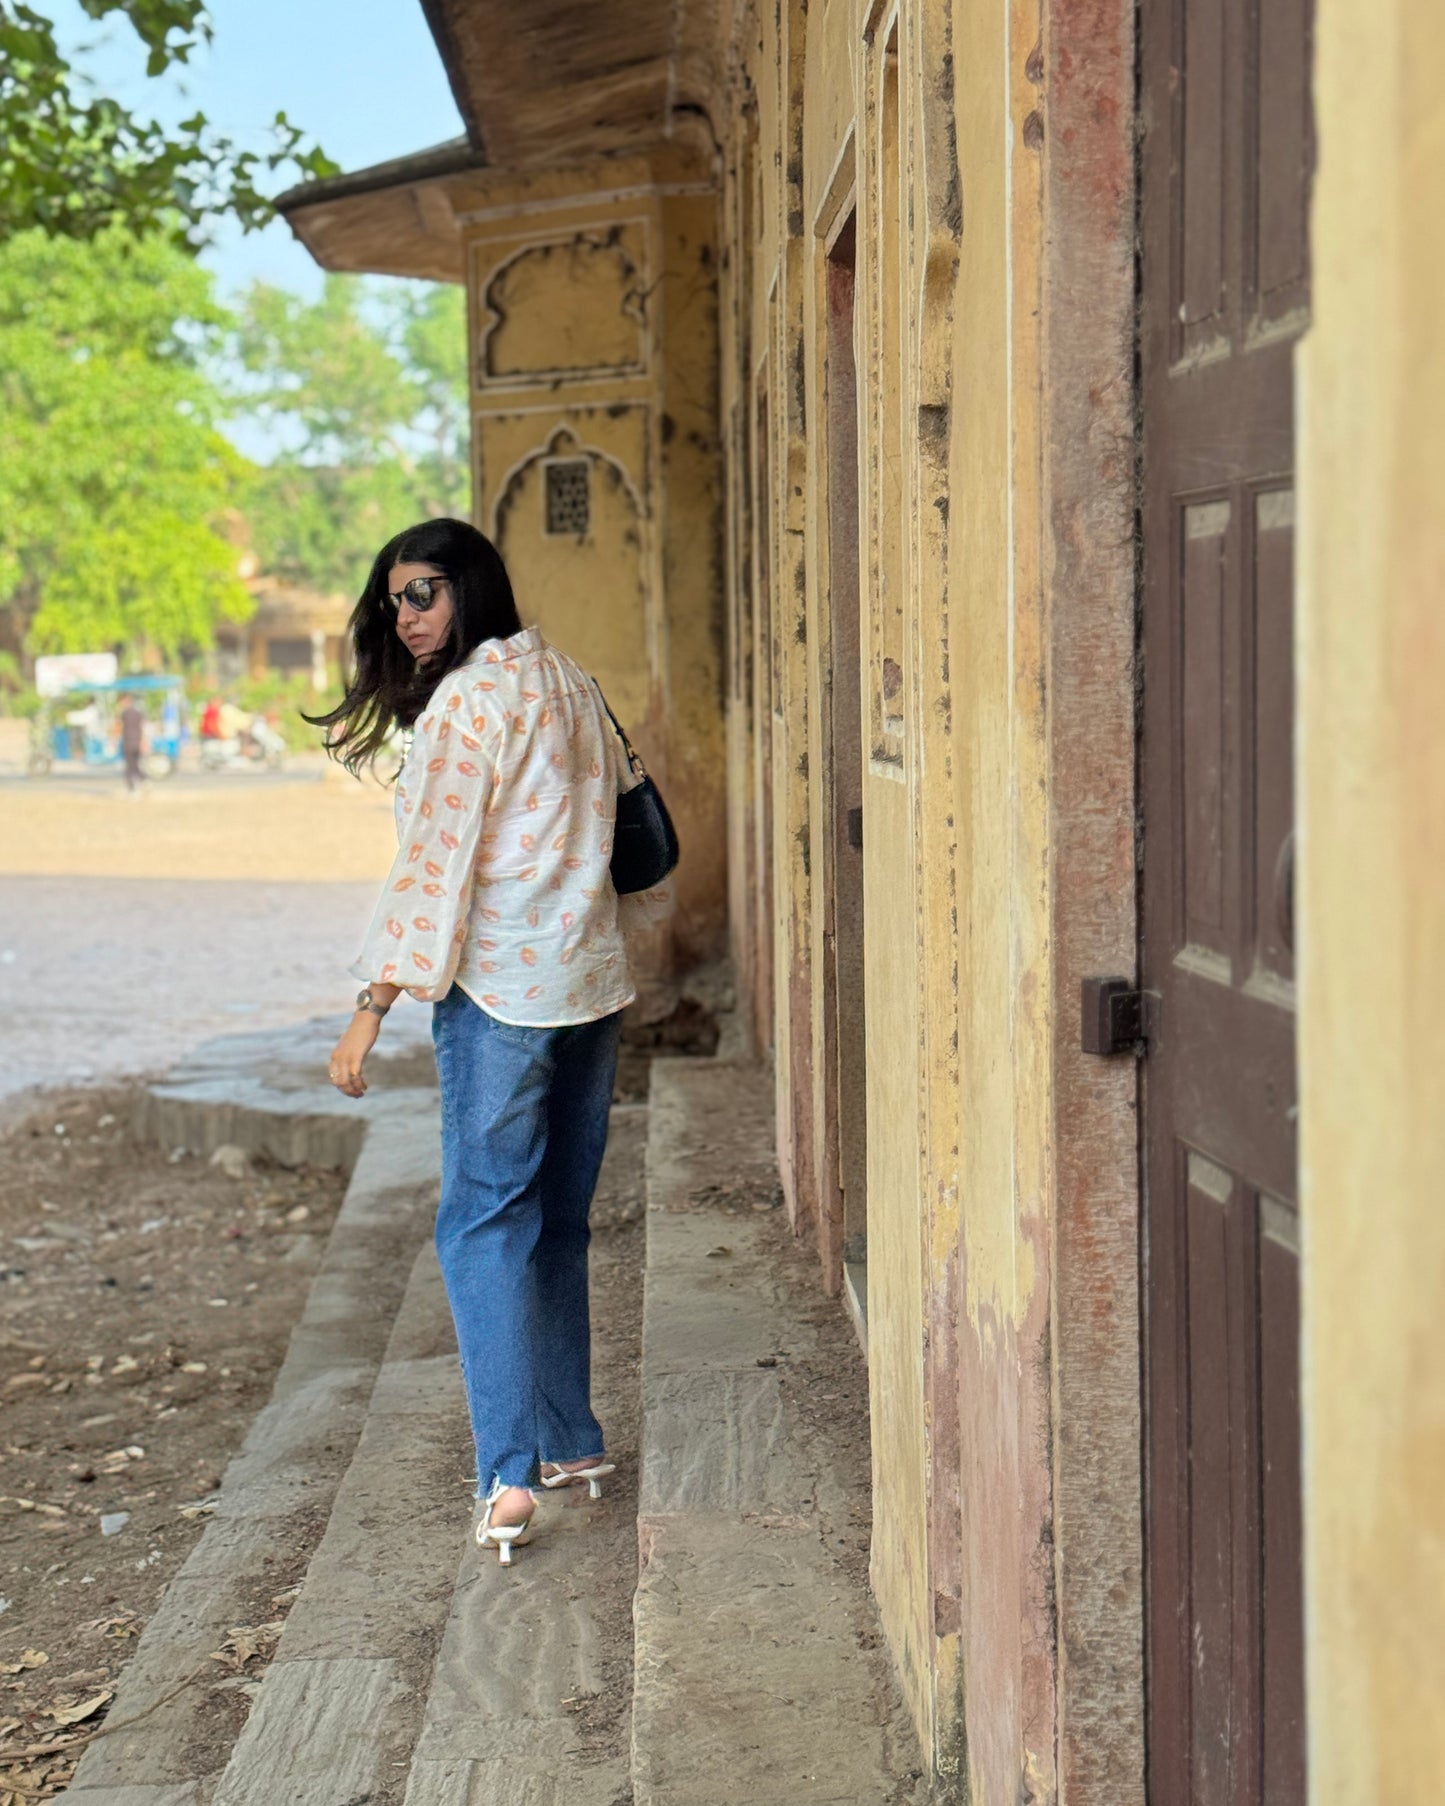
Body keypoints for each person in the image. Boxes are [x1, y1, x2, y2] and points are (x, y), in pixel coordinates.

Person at [314, 517, 667, 1567]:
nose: (406, 618)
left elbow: (435, 868)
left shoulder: (470, 701)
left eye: (422, 593)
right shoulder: (564, 680)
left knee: (481, 1226)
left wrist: (372, 1003)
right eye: (393, 602)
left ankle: (509, 1477)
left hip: (503, 996)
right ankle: (570, 1442)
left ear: (471, 585)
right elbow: (621, 836)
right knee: (553, 1222)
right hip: (586, 985)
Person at [118, 693, 147, 793]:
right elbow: (142, 728)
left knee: (130, 766)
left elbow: (119, 726)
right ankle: (143, 781)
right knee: (135, 765)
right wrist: (143, 742)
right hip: (137, 742)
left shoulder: (124, 714)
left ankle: (132, 788)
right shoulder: (138, 713)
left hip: (129, 742)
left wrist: (112, 740)